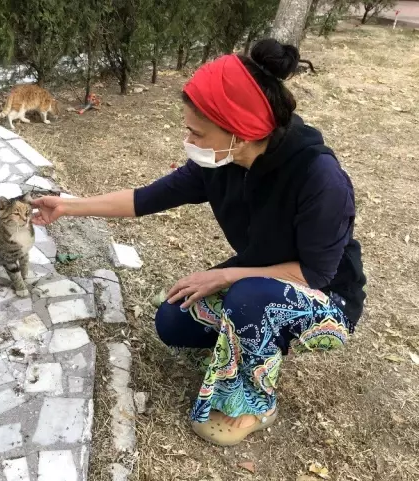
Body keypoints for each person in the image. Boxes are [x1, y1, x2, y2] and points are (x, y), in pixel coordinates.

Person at [31, 39, 366, 446]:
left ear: (240, 134)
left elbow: (314, 274)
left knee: (249, 298)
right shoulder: (222, 162)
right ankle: (248, 339)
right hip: (255, 282)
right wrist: (67, 206)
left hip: (327, 299)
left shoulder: (320, 179)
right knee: (173, 321)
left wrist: (224, 276)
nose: (188, 141)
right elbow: (145, 199)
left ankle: (254, 404)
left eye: (196, 132)